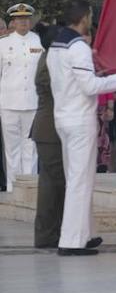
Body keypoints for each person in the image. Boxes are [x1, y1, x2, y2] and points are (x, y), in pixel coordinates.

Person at [48, 0, 116, 256]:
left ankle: (86, 233)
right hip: (79, 119)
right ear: (84, 18)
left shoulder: (56, 46)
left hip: (63, 116)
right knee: (80, 180)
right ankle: (71, 241)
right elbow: (89, 87)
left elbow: (77, 82)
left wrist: (102, 76)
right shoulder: (77, 48)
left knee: (78, 177)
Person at [30, 23, 66, 248]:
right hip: (49, 130)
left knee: (53, 182)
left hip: (51, 129)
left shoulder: (51, 60)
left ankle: (53, 233)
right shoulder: (48, 64)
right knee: (52, 184)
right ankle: (46, 235)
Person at [1, 3, 41, 191]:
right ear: (13, 22)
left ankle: (30, 187)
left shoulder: (38, 41)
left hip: (32, 102)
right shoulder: (3, 44)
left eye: (26, 19)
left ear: (30, 21)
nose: (23, 22)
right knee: (11, 149)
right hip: (9, 103)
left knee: (31, 148)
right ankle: (12, 187)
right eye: (19, 19)